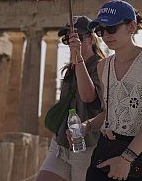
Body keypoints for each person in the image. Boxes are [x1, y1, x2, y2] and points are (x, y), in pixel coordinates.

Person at [84, 0, 142, 181]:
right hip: (109, 147)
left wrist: (127, 158)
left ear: (131, 26)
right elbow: (110, 111)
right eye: (101, 30)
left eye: (112, 28)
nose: (106, 35)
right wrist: (87, 126)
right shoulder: (103, 66)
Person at [36, 16, 105, 181]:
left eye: (77, 38)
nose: (72, 42)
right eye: (68, 39)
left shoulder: (101, 65)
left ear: (90, 39)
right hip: (61, 144)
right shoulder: (70, 69)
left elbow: (89, 98)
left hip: (87, 145)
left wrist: (79, 59)